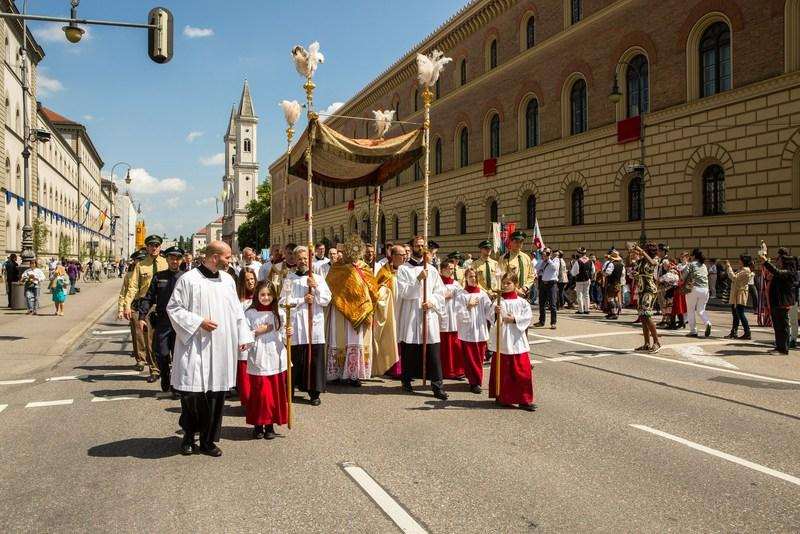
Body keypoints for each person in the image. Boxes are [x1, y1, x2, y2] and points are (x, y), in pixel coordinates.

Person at [167, 240, 254, 457]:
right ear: (215, 257)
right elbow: (174, 308)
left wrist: (243, 336)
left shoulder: (228, 280)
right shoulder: (189, 279)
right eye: (227, 257)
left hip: (221, 347)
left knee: (216, 395)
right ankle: (189, 435)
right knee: (192, 394)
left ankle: (207, 441)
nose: (229, 260)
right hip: (195, 345)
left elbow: (237, 311)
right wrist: (198, 322)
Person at [326, 236, 389, 385]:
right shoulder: (337, 267)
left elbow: (372, 287)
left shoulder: (364, 267)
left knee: (356, 340)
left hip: (361, 310)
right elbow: (330, 287)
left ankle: (354, 374)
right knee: (340, 340)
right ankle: (338, 373)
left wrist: (379, 292)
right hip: (341, 311)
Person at [396, 235, 448, 400]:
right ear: (412, 247)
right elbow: (403, 292)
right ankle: (406, 380)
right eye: (417, 245)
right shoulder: (403, 269)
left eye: (422, 245)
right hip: (411, 314)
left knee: (433, 352)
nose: (420, 248)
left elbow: (440, 292)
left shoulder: (432, 269)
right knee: (410, 350)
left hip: (428, 313)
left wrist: (432, 302)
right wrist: (418, 280)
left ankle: (437, 387)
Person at [279, 245, 331, 405]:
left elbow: (326, 300)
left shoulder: (318, 278)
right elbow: (283, 302)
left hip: (313, 325)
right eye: (299, 258)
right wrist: (302, 300)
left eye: (305, 258)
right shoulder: (289, 279)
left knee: (314, 360)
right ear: (295, 260)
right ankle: (291, 390)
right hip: (296, 325)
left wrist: (315, 288)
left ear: (310, 259)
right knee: (295, 359)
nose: (302, 261)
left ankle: (314, 393)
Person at [244, 280, 289, 440]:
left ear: (274, 296)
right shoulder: (250, 313)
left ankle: (270, 424)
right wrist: (258, 331)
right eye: (262, 294)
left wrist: (288, 333)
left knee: (273, 394)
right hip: (258, 357)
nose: (266, 297)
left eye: (269, 294)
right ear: (257, 295)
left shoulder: (279, 313)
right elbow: (243, 336)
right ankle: (258, 424)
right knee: (260, 393)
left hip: (275, 356)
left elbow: (283, 334)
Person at [137, 246, 186, 389]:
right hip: (163, 321)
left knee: (179, 355)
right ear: (167, 259)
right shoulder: (159, 277)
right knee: (161, 353)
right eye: (171, 258)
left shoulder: (186, 277)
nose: (174, 261)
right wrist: (142, 316)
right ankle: (165, 374)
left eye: (177, 258)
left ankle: (176, 386)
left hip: (180, 322)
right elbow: (149, 297)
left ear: (181, 260)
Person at [122, 235, 169, 379]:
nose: (154, 248)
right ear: (147, 247)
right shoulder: (141, 265)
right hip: (147, 306)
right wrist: (127, 305)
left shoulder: (166, 263)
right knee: (149, 340)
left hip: (164, 305)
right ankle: (154, 370)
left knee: (165, 338)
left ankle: (167, 367)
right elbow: (133, 287)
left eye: (156, 245)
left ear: (160, 247)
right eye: (151, 245)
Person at [488, 272, 536, 411]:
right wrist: (495, 312)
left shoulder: (522, 302)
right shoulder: (498, 301)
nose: (505, 285)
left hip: (517, 340)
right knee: (504, 371)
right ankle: (504, 397)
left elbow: (528, 318)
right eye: (504, 283)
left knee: (523, 371)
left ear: (515, 285)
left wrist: (514, 319)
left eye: (508, 283)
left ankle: (524, 399)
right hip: (503, 340)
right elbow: (490, 318)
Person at [455, 267, 494, 393]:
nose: (473, 279)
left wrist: (496, 310)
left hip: (480, 329)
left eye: (475, 276)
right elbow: (457, 313)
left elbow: (489, 312)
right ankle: (474, 382)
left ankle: (476, 379)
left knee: (479, 357)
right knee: (470, 358)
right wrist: (468, 306)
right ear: (466, 278)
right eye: (470, 276)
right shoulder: (461, 294)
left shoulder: (482, 294)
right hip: (468, 331)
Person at [374, 245, 404, 379]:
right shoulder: (384, 272)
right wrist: (384, 291)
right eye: (401, 255)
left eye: (405, 255)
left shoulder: (407, 270)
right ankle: (393, 368)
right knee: (391, 337)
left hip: (404, 309)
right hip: (391, 310)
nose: (404, 257)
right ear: (393, 256)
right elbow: (377, 289)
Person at [759, 251, 797, 354]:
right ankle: (779, 346)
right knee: (777, 326)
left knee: (783, 326)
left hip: (782, 302)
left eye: (780, 261)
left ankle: (783, 349)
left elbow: (777, 272)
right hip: (776, 302)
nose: (778, 262)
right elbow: (774, 274)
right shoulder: (781, 272)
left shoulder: (788, 272)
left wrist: (766, 262)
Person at [632, 243, 661, 353]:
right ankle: (647, 343)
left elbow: (653, 263)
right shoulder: (641, 261)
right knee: (643, 317)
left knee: (647, 315)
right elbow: (633, 267)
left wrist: (641, 251)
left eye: (644, 249)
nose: (642, 251)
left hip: (649, 290)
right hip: (641, 290)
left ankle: (657, 342)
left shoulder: (654, 259)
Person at [438, 259, 464, 380]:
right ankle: (443, 370)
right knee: (443, 346)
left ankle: (457, 370)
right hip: (441, 316)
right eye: (450, 268)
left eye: (453, 268)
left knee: (455, 345)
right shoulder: (437, 283)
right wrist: (442, 296)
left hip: (453, 316)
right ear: (443, 270)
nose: (452, 271)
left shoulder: (456, 284)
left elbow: (462, 300)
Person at [118, 252, 144, 361]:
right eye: (139, 260)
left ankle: (152, 359)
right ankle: (141, 359)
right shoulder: (129, 275)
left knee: (150, 334)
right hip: (135, 305)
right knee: (137, 333)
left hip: (148, 305)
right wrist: (121, 309)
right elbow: (123, 293)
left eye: (143, 259)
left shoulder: (150, 272)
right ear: (135, 261)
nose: (140, 262)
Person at [682, 248, 712, 338]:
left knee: (690, 310)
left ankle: (693, 331)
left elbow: (683, 276)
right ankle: (707, 323)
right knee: (701, 310)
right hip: (705, 289)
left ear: (694, 256)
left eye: (691, 255)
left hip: (693, 288)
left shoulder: (691, 264)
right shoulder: (704, 266)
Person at [498, 231, 535, 301]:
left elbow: (531, 275)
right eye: (516, 242)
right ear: (511, 242)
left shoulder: (526, 258)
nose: (519, 244)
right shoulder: (504, 258)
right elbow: (502, 277)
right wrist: (517, 290)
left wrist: (525, 288)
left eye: (521, 242)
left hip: (524, 293)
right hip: (510, 294)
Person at [725, 255, 753, 340]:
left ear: (743, 261)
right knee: (735, 314)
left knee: (740, 313)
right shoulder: (741, 269)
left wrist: (729, 267)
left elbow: (734, 278)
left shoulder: (746, 270)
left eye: (740, 260)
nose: (738, 261)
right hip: (736, 294)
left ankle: (747, 332)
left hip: (740, 294)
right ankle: (734, 332)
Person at [535, 247, 561, 329]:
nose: (545, 254)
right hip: (543, 283)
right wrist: (543, 260)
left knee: (552, 304)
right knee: (541, 303)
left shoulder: (555, 260)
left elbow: (555, 268)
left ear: (551, 253)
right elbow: (536, 268)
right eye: (544, 253)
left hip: (552, 284)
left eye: (547, 253)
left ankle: (553, 322)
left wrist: (548, 259)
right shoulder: (542, 261)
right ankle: (541, 321)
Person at [571, 247, 594, 314]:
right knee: (586, 294)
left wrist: (575, 275)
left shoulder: (578, 261)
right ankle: (587, 309)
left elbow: (574, 272)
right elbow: (593, 271)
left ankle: (581, 310)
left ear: (579, 253)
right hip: (587, 279)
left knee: (580, 294)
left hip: (579, 280)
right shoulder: (590, 261)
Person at [603, 250, 625, 320]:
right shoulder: (621, 265)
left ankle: (613, 313)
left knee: (610, 298)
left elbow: (608, 273)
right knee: (615, 297)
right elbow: (623, 274)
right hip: (618, 283)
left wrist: (603, 273)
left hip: (611, 283)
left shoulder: (611, 264)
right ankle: (616, 312)